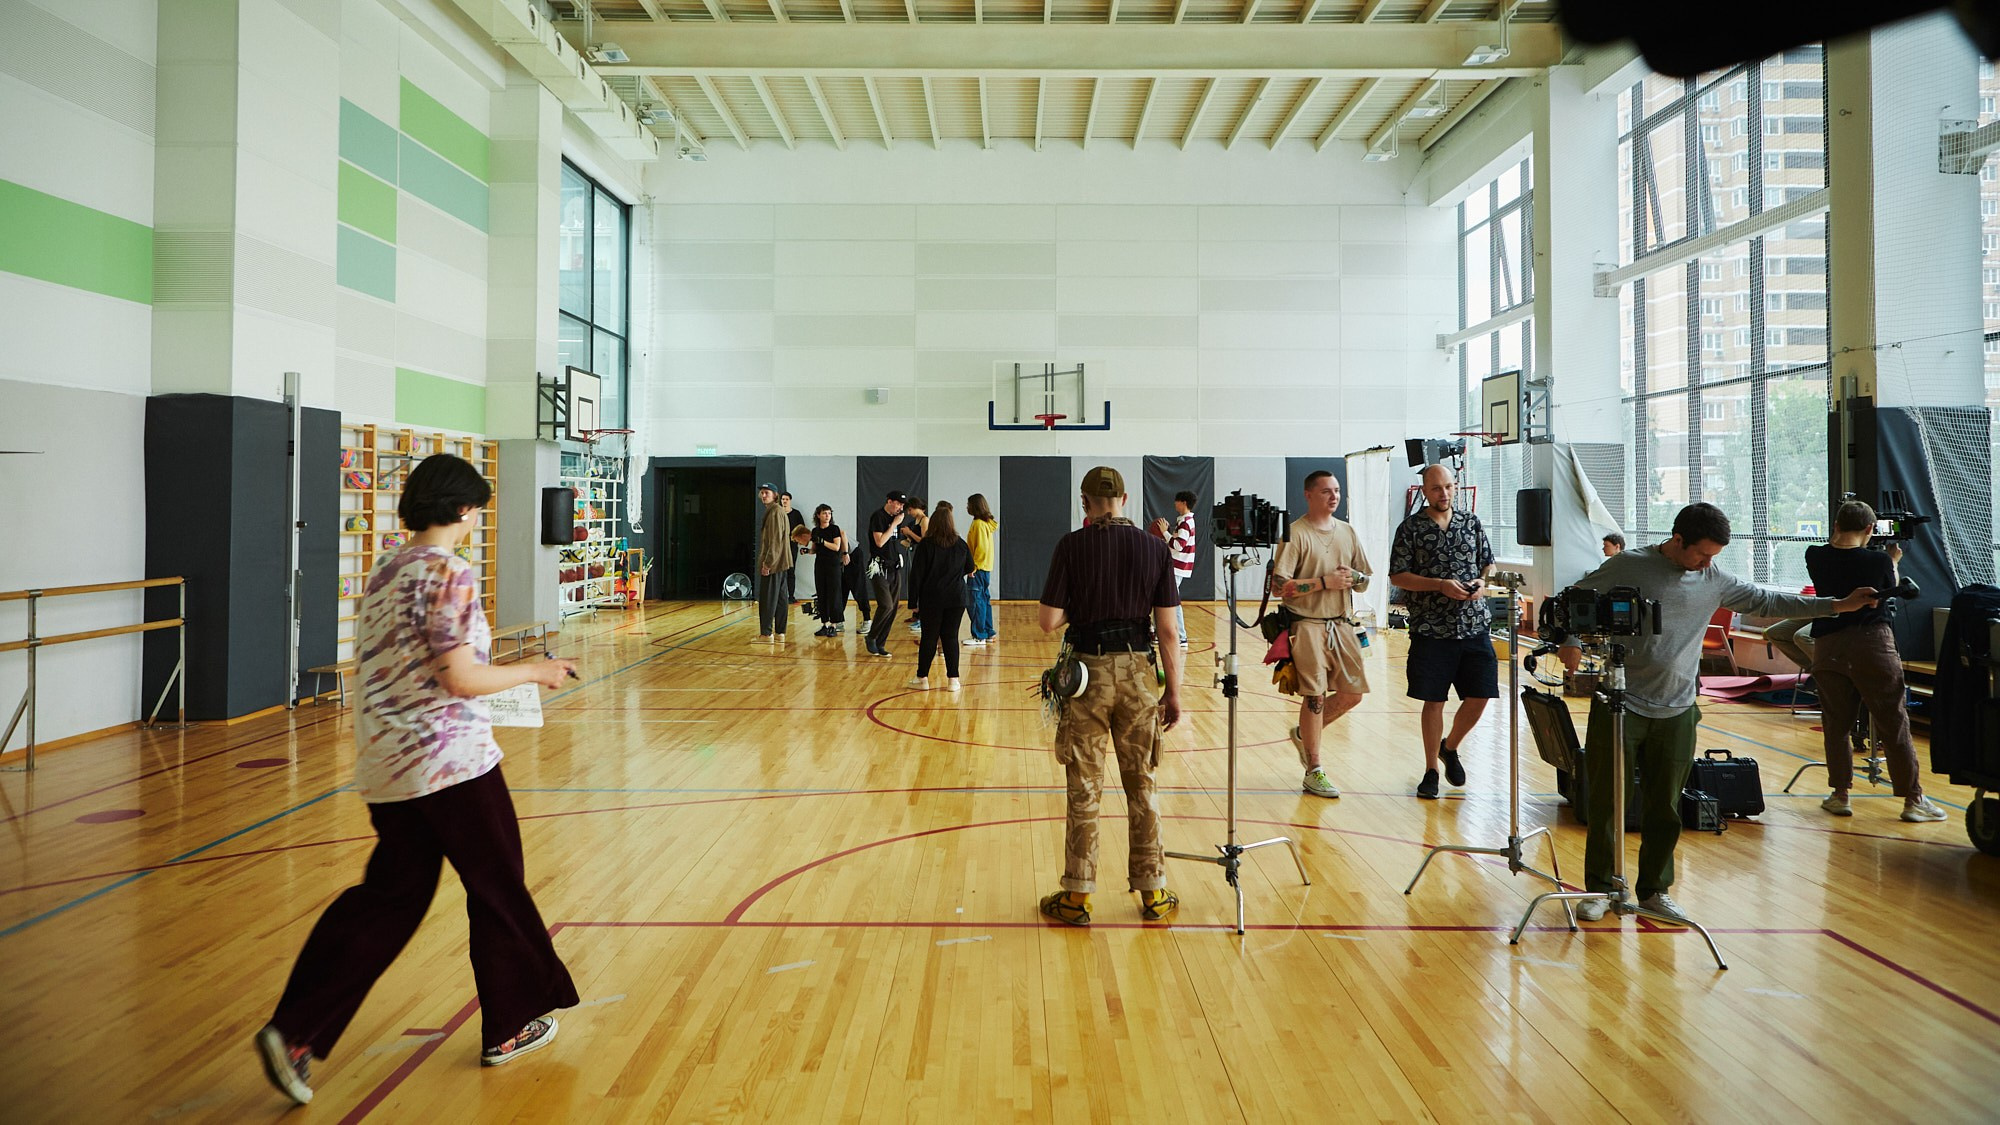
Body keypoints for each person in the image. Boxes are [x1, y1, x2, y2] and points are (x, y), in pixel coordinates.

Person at [253, 454, 578, 1106]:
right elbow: (459, 676)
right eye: (477, 508)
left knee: (390, 900)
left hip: (387, 767)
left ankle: (294, 1029)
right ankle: (507, 1029)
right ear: (463, 510)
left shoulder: (385, 571)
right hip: (451, 764)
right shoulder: (449, 572)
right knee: (498, 889)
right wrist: (534, 671)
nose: (477, 518)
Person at [1559, 502, 1880, 922]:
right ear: (1677, 540)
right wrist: (1571, 640)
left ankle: (1655, 889)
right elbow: (1572, 598)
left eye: (1714, 556)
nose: (1708, 563)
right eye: (1702, 554)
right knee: (1607, 801)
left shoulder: (1713, 579)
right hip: (1621, 703)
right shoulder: (1629, 565)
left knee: (1665, 805)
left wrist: (1838, 605)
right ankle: (1600, 887)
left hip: (1678, 708)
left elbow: (1770, 601)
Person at [1037, 466, 1184, 926]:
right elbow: (1167, 629)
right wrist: (1174, 691)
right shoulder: (1155, 548)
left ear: (1085, 502)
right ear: (1125, 497)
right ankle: (1153, 892)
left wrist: (1083, 604)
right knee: (1142, 783)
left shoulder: (1071, 546)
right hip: (1140, 674)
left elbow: (1048, 621)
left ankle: (1077, 896)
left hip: (1087, 673)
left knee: (1084, 787)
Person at [1807, 501, 1948, 823]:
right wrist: (1894, 561)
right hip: (1872, 643)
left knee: (1836, 724)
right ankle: (1913, 799)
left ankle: (1840, 794)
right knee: (1893, 722)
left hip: (1828, 644)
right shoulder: (1880, 560)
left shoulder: (1814, 556)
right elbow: (1888, 588)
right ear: (1870, 529)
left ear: (1837, 525)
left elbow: (1838, 561)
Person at [1388, 464, 1498, 800]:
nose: (1444, 494)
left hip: (1474, 626)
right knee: (1433, 701)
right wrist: (1438, 585)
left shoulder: (1471, 523)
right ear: (1424, 490)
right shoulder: (1410, 529)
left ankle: (1449, 748)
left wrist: (1482, 582)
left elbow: (1488, 563)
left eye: (1449, 487)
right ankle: (1431, 770)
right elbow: (1398, 577)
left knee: (1480, 695)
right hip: (1431, 630)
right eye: (1437, 488)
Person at [1271, 469, 1372, 800]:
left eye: (1338, 490)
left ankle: (1304, 734)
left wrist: (1354, 576)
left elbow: (1365, 579)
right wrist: (1322, 583)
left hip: (1341, 623)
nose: (1334, 496)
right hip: (1307, 624)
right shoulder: (1295, 534)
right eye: (1327, 491)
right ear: (1309, 495)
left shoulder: (1347, 532)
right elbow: (1279, 586)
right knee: (1313, 696)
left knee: (1352, 693)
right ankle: (1314, 768)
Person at [908, 502, 975, 691]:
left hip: (932, 598)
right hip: (956, 597)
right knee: (951, 637)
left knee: (929, 637)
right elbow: (970, 567)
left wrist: (913, 602)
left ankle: (922, 679)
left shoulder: (926, 545)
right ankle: (953, 680)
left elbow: (916, 576)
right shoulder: (960, 544)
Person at [865, 491, 909, 657]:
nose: (900, 508)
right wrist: (894, 524)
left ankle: (880, 643)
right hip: (879, 566)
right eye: (898, 504)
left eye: (902, 505)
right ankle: (871, 637)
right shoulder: (879, 517)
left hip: (893, 566)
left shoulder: (896, 518)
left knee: (893, 608)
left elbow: (892, 542)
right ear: (889, 501)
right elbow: (880, 541)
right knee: (886, 605)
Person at [756, 482, 793, 644]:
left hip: (775, 563)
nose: (764, 495)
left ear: (775, 495)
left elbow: (776, 541)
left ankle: (766, 634)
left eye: (767, 492)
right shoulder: (775, 511)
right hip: (781, 563)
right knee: (780, 599)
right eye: (762, 492)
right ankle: (780, 633)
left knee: (768, 598)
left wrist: (767, 563)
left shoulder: (775, 512)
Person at [964, 493, 999, 647]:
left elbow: (982, 549)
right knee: (983, 600)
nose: (966, 507)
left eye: (968, 504)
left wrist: (973, 567)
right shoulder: (984, 523)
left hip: (978, 569)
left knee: (975, 602)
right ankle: (988, 632)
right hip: (985, 568)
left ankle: (979, 635)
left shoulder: (978, 524)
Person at [810, 504, 849, 638]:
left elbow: (836, 546)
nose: (827, 516)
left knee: (834, 594)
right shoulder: (815, 530)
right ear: (818, 515)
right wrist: (807, 551)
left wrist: (823, 541)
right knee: (822, 594)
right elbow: (814, 549)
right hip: (820, 564)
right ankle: (825, 624)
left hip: (833, 565)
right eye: (824, 513)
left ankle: (834, 625)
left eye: (829, 513)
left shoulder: (834, 529)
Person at [1169, 489, 1200, 652]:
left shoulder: (1186, 522)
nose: (1175, 503)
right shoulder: (1184, 521)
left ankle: (1181, 637)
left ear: (1183, 503)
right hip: (1177, 565)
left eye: (1177, 501)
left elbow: (1178, 545)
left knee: (1173, 601)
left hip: (1178, 566)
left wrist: (1164, 534)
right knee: (1171, 599)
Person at [902, 498, 929, 636]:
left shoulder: (925, 520)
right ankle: (917, 614)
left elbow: (924, 540)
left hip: (923, 557)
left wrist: (909, 533)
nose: (909, 513)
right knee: (914, 584)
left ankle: (923, 619)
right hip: (917, 555)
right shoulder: (916, 521)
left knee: (920, 585)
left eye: (910, 510)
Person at [781, 491, 809, 605]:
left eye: (786, 499)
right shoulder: (778, 513)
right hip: (780, 546)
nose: (784, 501)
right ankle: (780, 596)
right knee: (780, 571)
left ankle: (791, 596)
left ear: (790, 500)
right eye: (783, 499)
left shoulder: (796, 514)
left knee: (791, 571)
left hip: (792, 545)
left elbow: (802, 529)